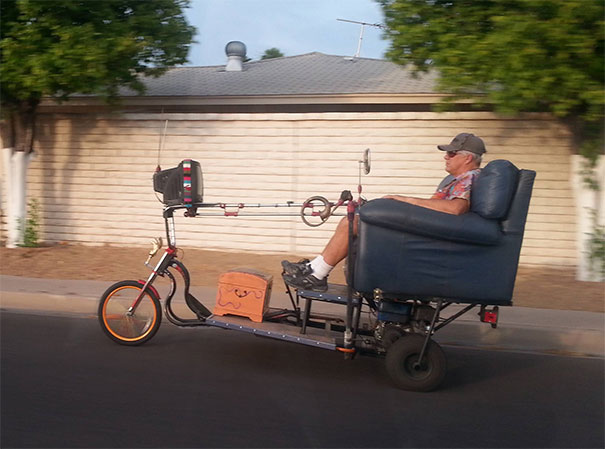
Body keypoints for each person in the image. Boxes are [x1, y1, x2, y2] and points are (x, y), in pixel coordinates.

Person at [282, 132, 486, 292]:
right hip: (427, 233)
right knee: (358, 218)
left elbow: (456, 209)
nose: (446, 156)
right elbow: (433, 210)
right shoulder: (457, 180)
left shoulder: (469, 178)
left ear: (467, 158)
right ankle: (313, 269)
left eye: (451, 153)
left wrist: (403, 200)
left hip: (426, 239)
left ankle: (316, 274)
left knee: (352, 223)